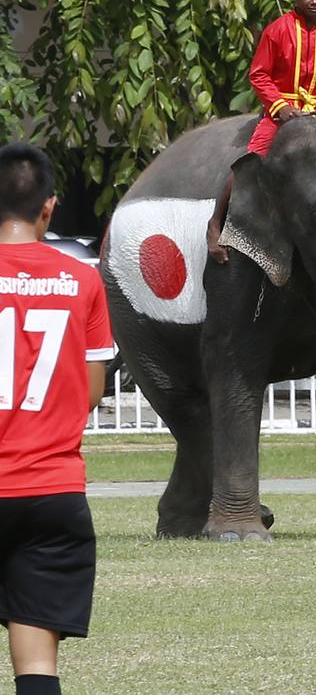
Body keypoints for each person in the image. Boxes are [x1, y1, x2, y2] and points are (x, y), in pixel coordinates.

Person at [0, 143, 114, 695]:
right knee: (38, 666)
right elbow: (90, 392)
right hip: (52, 491)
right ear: (49, 206)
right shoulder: (84, 281)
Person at [206, 0, 316, 263]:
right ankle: (216, 225)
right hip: (280, 114)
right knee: (252, 160)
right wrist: (281, 107)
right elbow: (259, 75)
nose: (314, 2)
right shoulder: (278, 30)